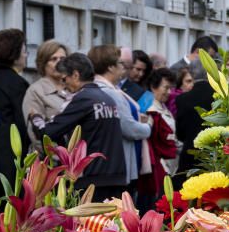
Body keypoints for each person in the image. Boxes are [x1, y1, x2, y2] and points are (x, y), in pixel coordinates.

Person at [34, 54, 125, 198]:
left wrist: (35, 118)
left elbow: (49, 132)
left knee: (88, 221)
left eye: (64, 79)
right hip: (116, 175)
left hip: (92, 178)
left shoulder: (83, 99)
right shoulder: (107, 98)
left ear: (75, 75)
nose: (64, 84)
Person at [89, 45, 151, 194]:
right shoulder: (111, 93)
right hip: (118, 163)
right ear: (110, 67)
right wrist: (148, 126)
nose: (123, 68)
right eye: (120, 64)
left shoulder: (96, 88)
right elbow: (128, 128)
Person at [0, 29, 31, 178]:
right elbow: (21, 121)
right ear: (15, 54)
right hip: (11, 150)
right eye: (24, 51)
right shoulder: (18, 84)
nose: (26, 55)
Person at [137, 68, 180, 212]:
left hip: (168, 165)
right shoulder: (149, 108)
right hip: (157, 168)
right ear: (153, 86)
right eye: (166, 88)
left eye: (171, 88)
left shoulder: (162, 107)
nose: (169, 92)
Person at [21, 40, 69, 153]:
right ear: (43, 63)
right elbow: (36, 136)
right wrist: (60, 157)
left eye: (63, 59)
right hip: (51, 162)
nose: (59, 63)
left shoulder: (72, 87)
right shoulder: (35, 91)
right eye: (54, 59)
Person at [174, 59, 215, 187]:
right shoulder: (219, 96)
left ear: (191, 74)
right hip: (215, 155)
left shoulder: (182, 99)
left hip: (189, 154)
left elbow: (180, 133)